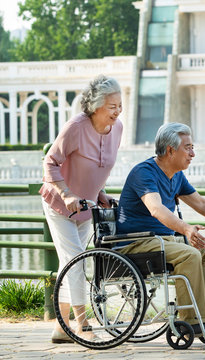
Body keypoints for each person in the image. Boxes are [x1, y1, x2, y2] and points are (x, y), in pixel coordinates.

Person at [115, 122, 205, 335]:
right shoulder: (144, 172)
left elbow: (201, 203)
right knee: (189, 254)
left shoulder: (176, 175)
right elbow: (156, 209)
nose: (193, 153)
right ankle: (191, 320)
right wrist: (185, 228)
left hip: (161, 241)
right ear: (170, 150)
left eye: (193, 147)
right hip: (136, 243)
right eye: (188, 147)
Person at [40, 75, 123, 343]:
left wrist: (100, 193)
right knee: (76, 263)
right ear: (97, 105)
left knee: (71, 263)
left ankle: (60, 327)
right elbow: (50, 163)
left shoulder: (117, 129)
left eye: (120, 105)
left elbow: (98, 166)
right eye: (112, 106)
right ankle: (82, 324)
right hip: (59, 205)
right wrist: (65, 194)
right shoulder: (75, 127)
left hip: (86, 207)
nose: (117, 111)